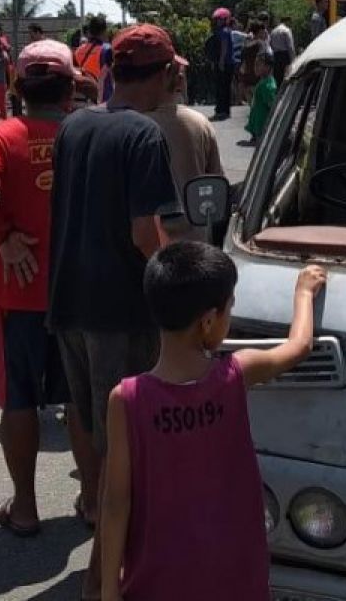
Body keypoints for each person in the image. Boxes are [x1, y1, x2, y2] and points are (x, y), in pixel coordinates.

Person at [100, 243, 328, 601]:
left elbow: (116, 502)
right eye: (229, 308)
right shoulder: (236, 375)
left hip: (156, 583)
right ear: (208, 320)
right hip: (234, 574)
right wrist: (303, 292)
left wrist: (109, 589)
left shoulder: (127, 399)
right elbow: (299, 346)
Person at [49, 23, 179, 600]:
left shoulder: (74, 124)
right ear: (162, 74)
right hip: (120, 311)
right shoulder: (143, 135)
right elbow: (144, 231)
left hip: (69, 304)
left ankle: (110, 565)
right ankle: (106, 583)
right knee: (126, 448)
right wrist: (182, 283)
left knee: (99, 437)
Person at [0, 39, 99, 537]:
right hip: (81, 291)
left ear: (16, 87)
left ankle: (24, 508)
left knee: (17, 397)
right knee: (80, 400)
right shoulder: (90, 133)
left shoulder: (0, 135)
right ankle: (93, 501)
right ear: (70, 89)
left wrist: (4, 238)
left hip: (16, 295)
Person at [145, 53, 224, 242]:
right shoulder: (199, 123)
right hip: (196, 237)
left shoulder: (135, 125)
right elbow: (218, 182)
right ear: (178, 82)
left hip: (150, 241)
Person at [242, 48, 277, 148]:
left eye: (259, 64)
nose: (255, 67)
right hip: (258, 125)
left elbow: (271, 104)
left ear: (268, 67)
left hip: (262, 126)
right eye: (255, 64)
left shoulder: (267, 85)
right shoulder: (263, 82)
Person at [74, 15, 114, 102]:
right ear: (104, 31)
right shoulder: (107, 50)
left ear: (90, 32)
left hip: (83, 100)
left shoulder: (78, 51)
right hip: (103, 100)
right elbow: (112, 75)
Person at [209, 8, 237, 122]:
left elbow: (224, 47)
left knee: (222, 87)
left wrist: (220, 61)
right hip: (228, 62)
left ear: (225, 19)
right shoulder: (226, 30)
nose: (218, 21)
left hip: (225, 63)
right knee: (224, 87)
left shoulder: (224, 31)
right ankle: (224, 110)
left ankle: (222, 110)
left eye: (220, 19)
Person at [269, 15, 296, 86]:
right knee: (286, 76)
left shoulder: (273, 31)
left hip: (276, 56)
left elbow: (270, 44)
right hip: (285, 56)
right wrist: (294, 60)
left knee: (277, 78)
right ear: (287, 21)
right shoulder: (287, 30)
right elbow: (290, 46)